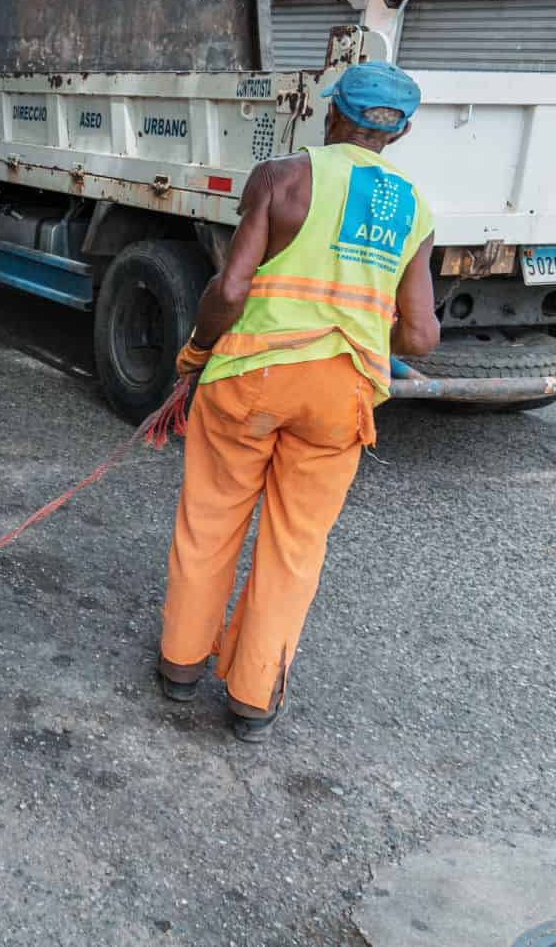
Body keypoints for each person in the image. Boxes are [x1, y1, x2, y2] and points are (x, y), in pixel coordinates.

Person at [156, 62, 440, 743]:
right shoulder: (418, 210)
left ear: (330, 112)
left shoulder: (284, 177)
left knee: (211, 520)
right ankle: (254, 697)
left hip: (250, 378)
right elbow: (423, 336)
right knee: (294, 546)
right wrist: (370, 329)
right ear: (399, 132)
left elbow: (229, 290)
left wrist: (194, 356)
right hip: (340, 394)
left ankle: (180, 666)